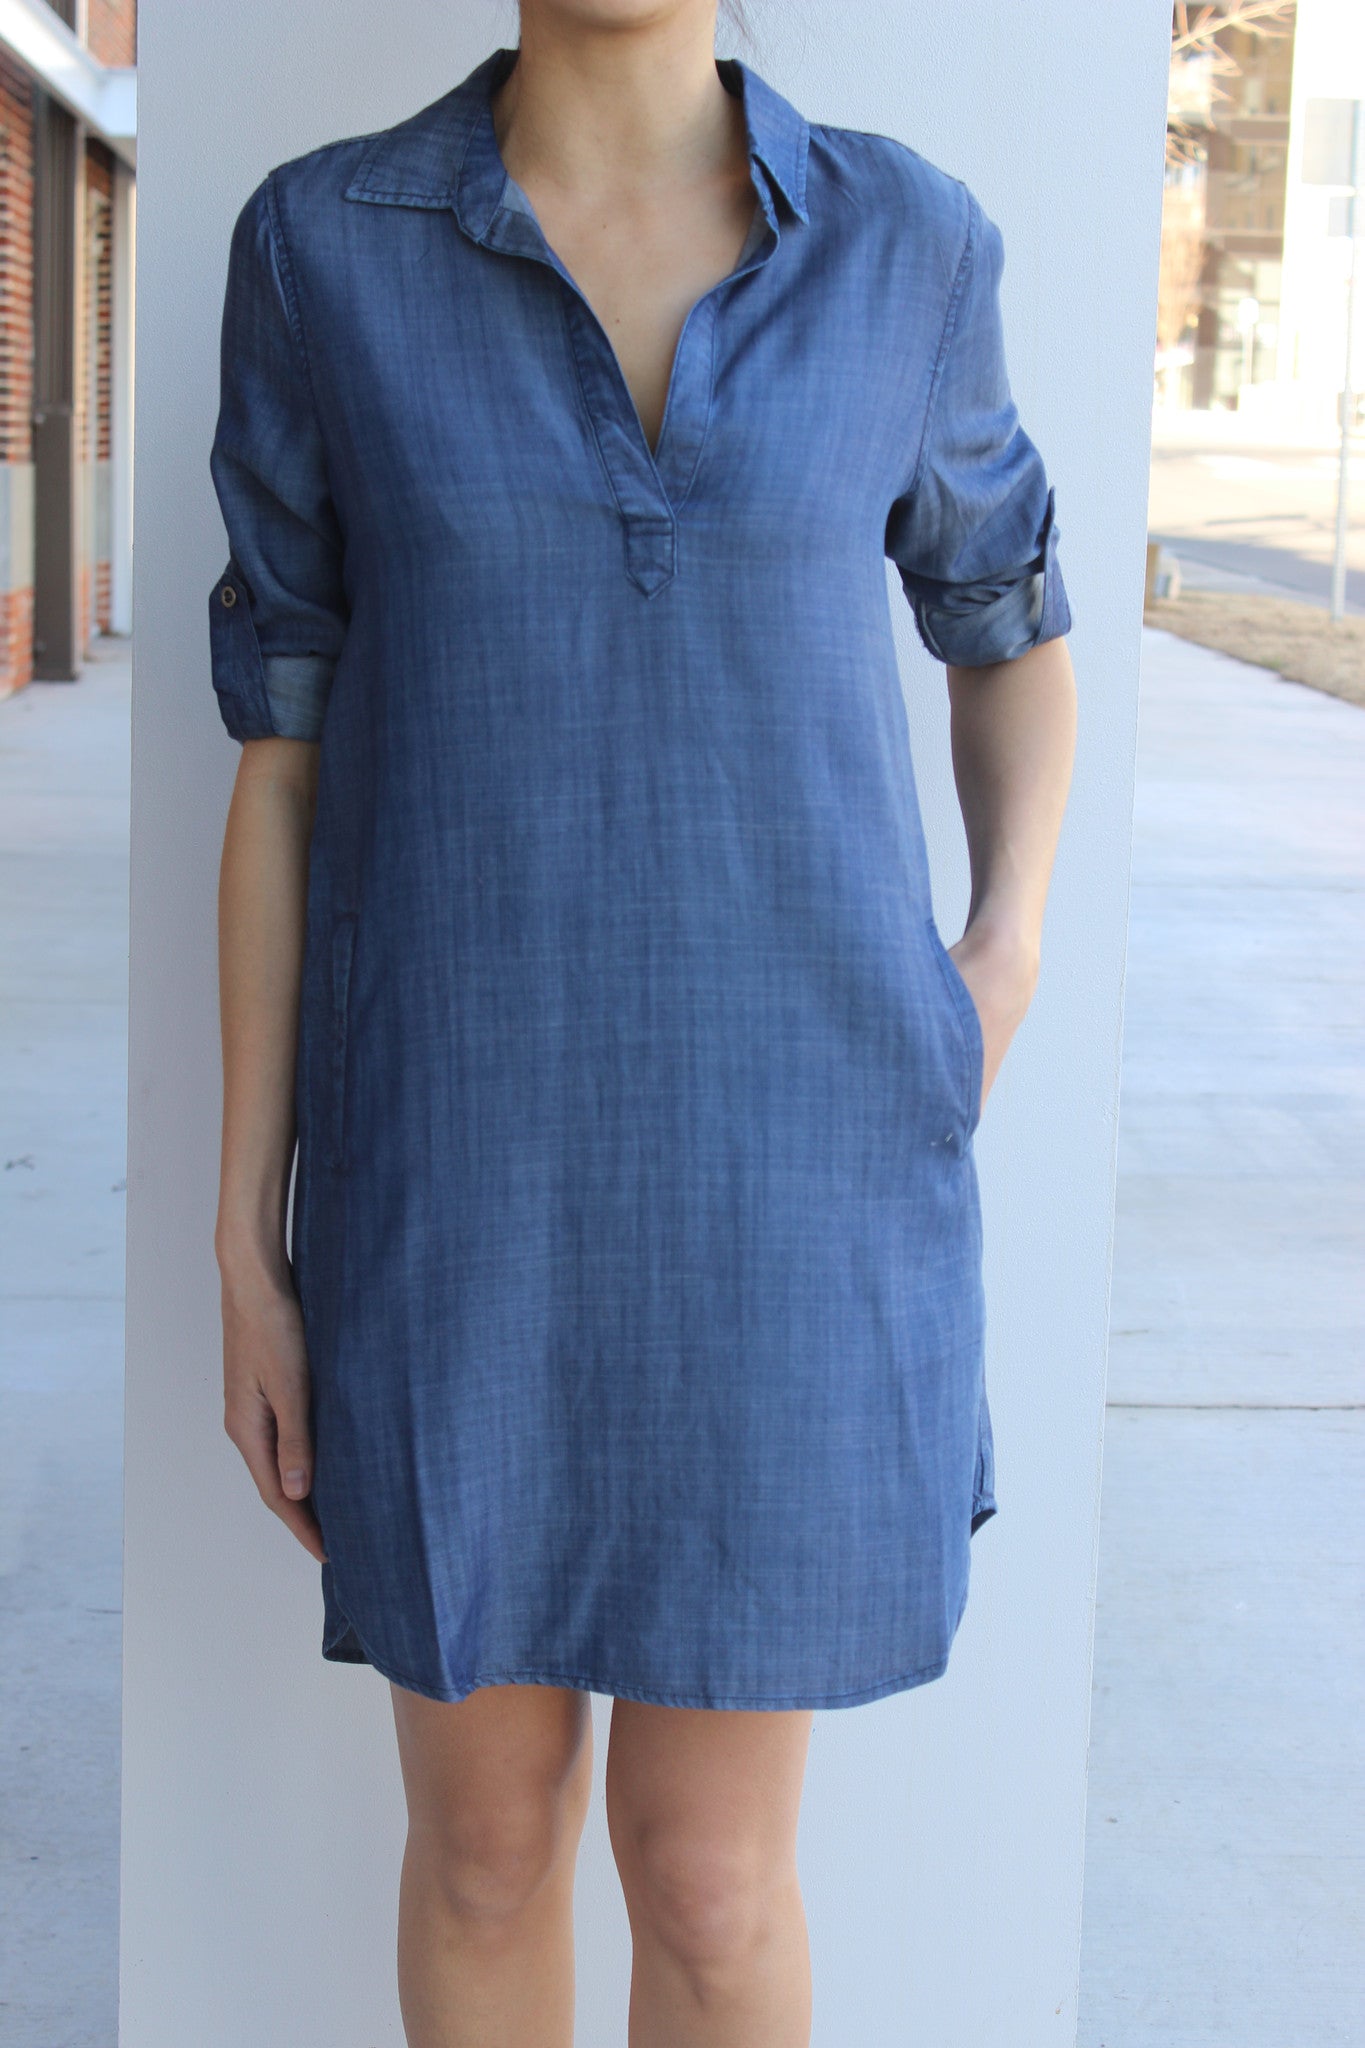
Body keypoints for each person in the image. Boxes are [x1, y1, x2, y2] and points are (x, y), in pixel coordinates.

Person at [208, 3, 1077, 2041]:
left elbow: (1007, 622)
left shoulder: (905, 244)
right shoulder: (322, 247)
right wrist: (248, 1240)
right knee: (486, 1842)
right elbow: (283, 758)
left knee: (705, 1871)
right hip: (461, 1164)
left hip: (798, 1174)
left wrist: (1004, 950)